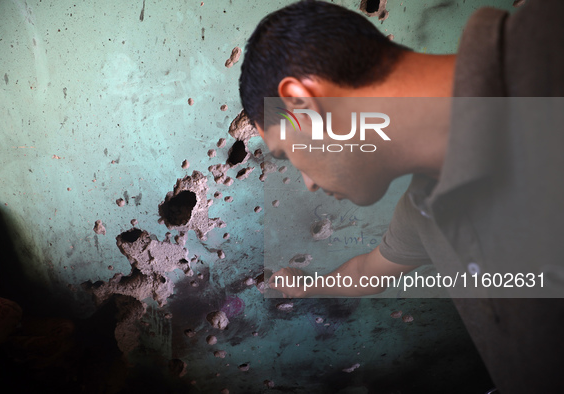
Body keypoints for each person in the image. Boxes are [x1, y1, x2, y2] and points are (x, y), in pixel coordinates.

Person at [238, 0, 564, 393]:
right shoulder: (424, 212)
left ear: (302, 105)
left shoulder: (550, 49)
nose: (306, 181)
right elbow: (367, 273)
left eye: (287, 154)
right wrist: (308, 286)